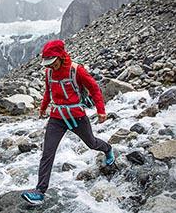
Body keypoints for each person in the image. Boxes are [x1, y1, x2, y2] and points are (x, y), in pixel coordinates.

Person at [21, 40, 115, 205]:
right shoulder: (49, 73)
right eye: (47, 63)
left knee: (92, 143)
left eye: (53, 62)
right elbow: (48, 92)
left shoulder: (77, 70)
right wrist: (43, 109)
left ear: (61, 57)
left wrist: (101, 110)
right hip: (57, 118)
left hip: (77, 116)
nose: (50, 66)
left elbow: (94, 89)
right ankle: (40, 192)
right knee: (47, 153)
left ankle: (108, 149)